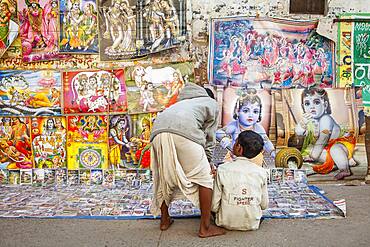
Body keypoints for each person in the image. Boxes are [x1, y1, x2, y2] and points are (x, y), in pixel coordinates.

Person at [150, 82, 225, 238]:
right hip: (184, 132)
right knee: (205, 178)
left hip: (157, 133)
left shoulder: (180, 104)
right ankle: (205, 228)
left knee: (164, 177)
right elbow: (210, 138)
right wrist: (208, 162)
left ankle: (164, 220)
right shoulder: (210, 103)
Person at [211, 130, 268, 231]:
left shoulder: (223, 169)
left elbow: (214, 206)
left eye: (235, 142)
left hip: (224, 222)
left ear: (239, 148)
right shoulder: (261, 172)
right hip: (252, 224)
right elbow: (264, 205)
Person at [295, 88, 356, 180]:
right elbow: (298, 133)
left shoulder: (326, 118)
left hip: (341, 143)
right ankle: (343, 160)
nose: (312, 107)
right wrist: (303, 124)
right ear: (303, 107)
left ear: (325, 104)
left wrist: (314, 156)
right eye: (307, 104)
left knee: (334, 150)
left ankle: (345, 169)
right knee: (311, 151)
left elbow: (323, 138)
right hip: (325, 147)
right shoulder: (309, 121)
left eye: (316, 102)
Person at [216, 88, 275, 159]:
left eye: (255, 112)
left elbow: (266, 142)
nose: (251, 115)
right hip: (235, 157)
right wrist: (224, 138)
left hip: (253, 158)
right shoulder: (234, 125)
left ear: (259, 113)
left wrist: (272, 152)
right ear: (237, 111)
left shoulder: (258, 128)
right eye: (246, 111)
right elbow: (218, 132)